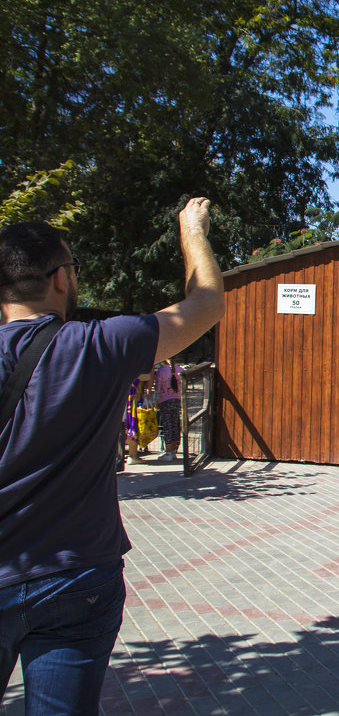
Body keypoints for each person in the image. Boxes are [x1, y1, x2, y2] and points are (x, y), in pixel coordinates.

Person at [0, 198, 224, 713]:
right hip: (76, 578)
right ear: (61, 278)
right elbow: (206, 303)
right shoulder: (100, 344)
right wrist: (192, 230)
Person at [153, 358, 182, 462]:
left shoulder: (161, 371)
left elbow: (158, 388)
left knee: (167, 425)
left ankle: (168, 451)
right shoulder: (180, 370)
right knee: (175, 424)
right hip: (177, 400)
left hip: (165, 401)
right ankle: (174, 450)